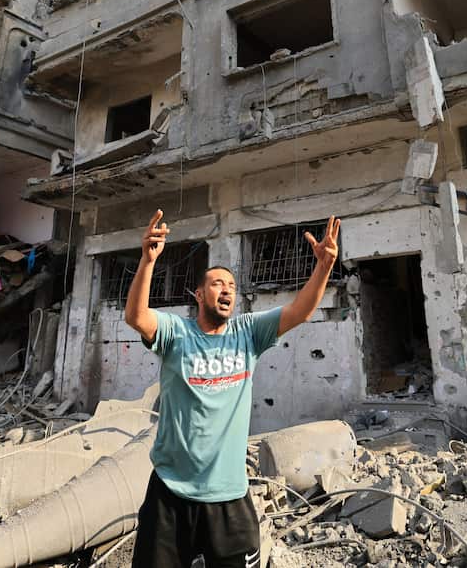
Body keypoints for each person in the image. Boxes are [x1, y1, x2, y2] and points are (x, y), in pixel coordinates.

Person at [125, 209, 341, 568]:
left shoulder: (248, 333)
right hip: (171, 493)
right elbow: (137, 317)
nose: (226, 290)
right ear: (198, 294)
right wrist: (147, 261)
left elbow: (300, 311)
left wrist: (324, 267)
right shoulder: (176, 333)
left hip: (229, 495)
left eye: (231, 286)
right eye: (216, 284)